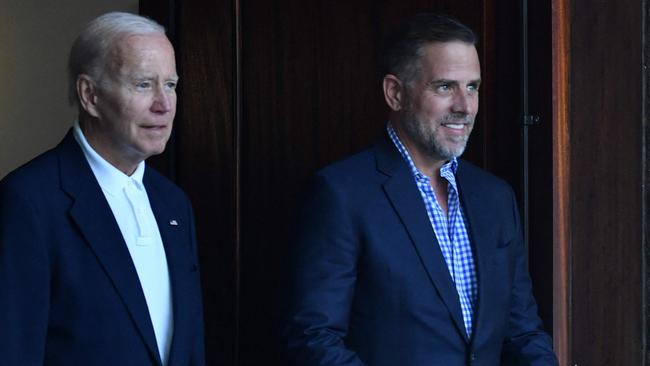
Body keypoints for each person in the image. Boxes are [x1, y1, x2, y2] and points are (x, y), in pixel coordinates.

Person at [284, 13, 558, 365]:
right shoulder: (341, 194)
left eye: (472, 87)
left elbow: (522, 333)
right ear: (395, 93)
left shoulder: (495, 197)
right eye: (445, 86)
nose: (464, 106)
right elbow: (313, 339)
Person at [0, 12, 205, 366]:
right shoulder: (28, 201)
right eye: (143, 84)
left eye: (170, 84)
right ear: (90, 95)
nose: (164, 104)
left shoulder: (173, 204)